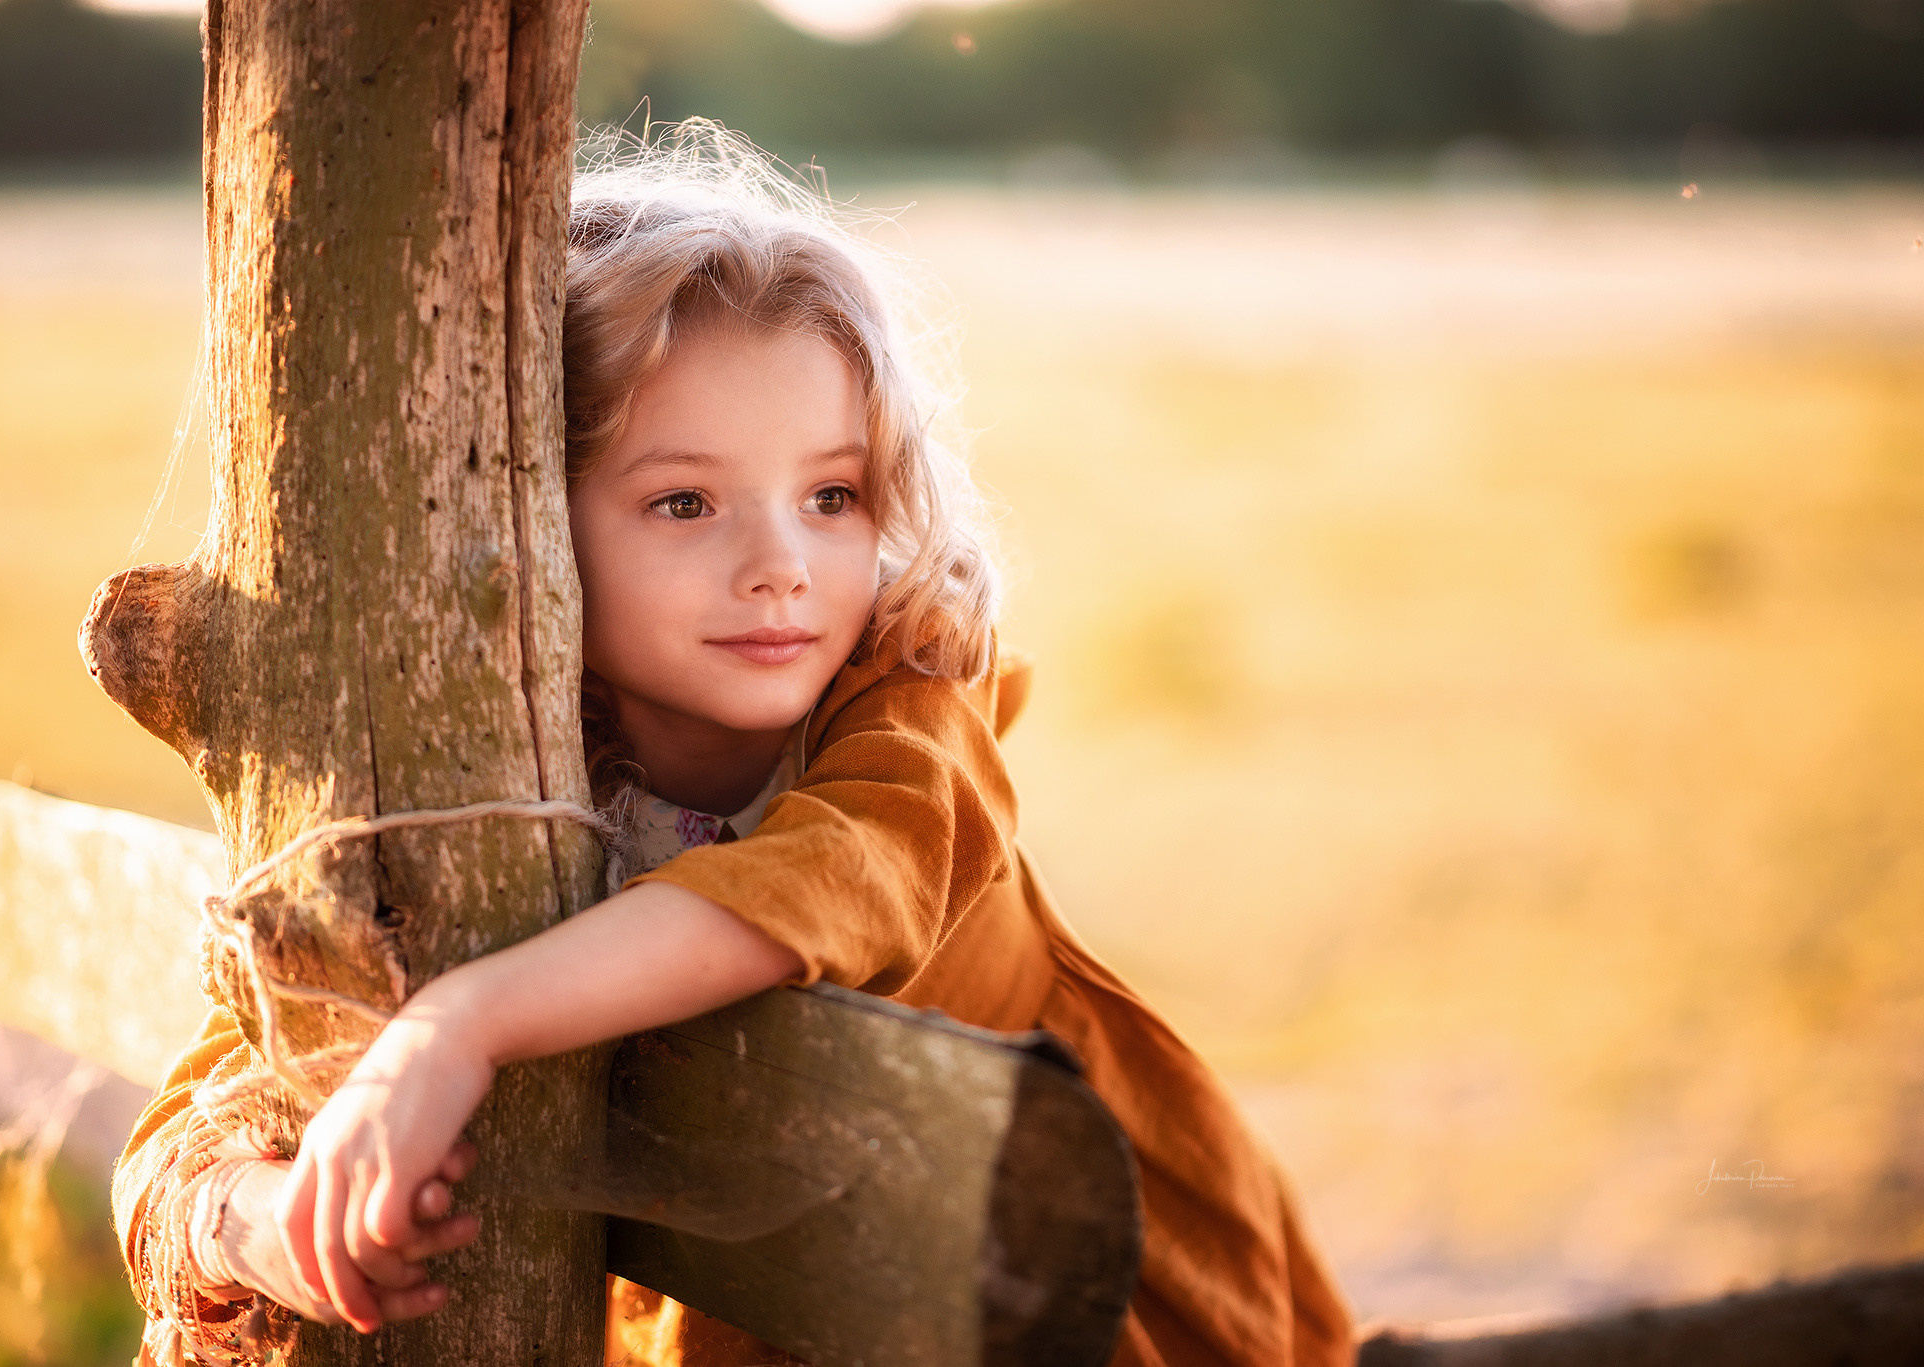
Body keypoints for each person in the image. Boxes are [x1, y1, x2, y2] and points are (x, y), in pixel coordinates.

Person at [114, 125, 1356, 1367]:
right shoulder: (496, 778)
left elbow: (818, 882)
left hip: (1051, 1284)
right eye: (684, 502)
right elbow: (225, 1072)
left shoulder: (907, 712)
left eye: (832, 495)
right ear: (530, 528)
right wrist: (263, 1218)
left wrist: (461, 1022)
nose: (781, 568)